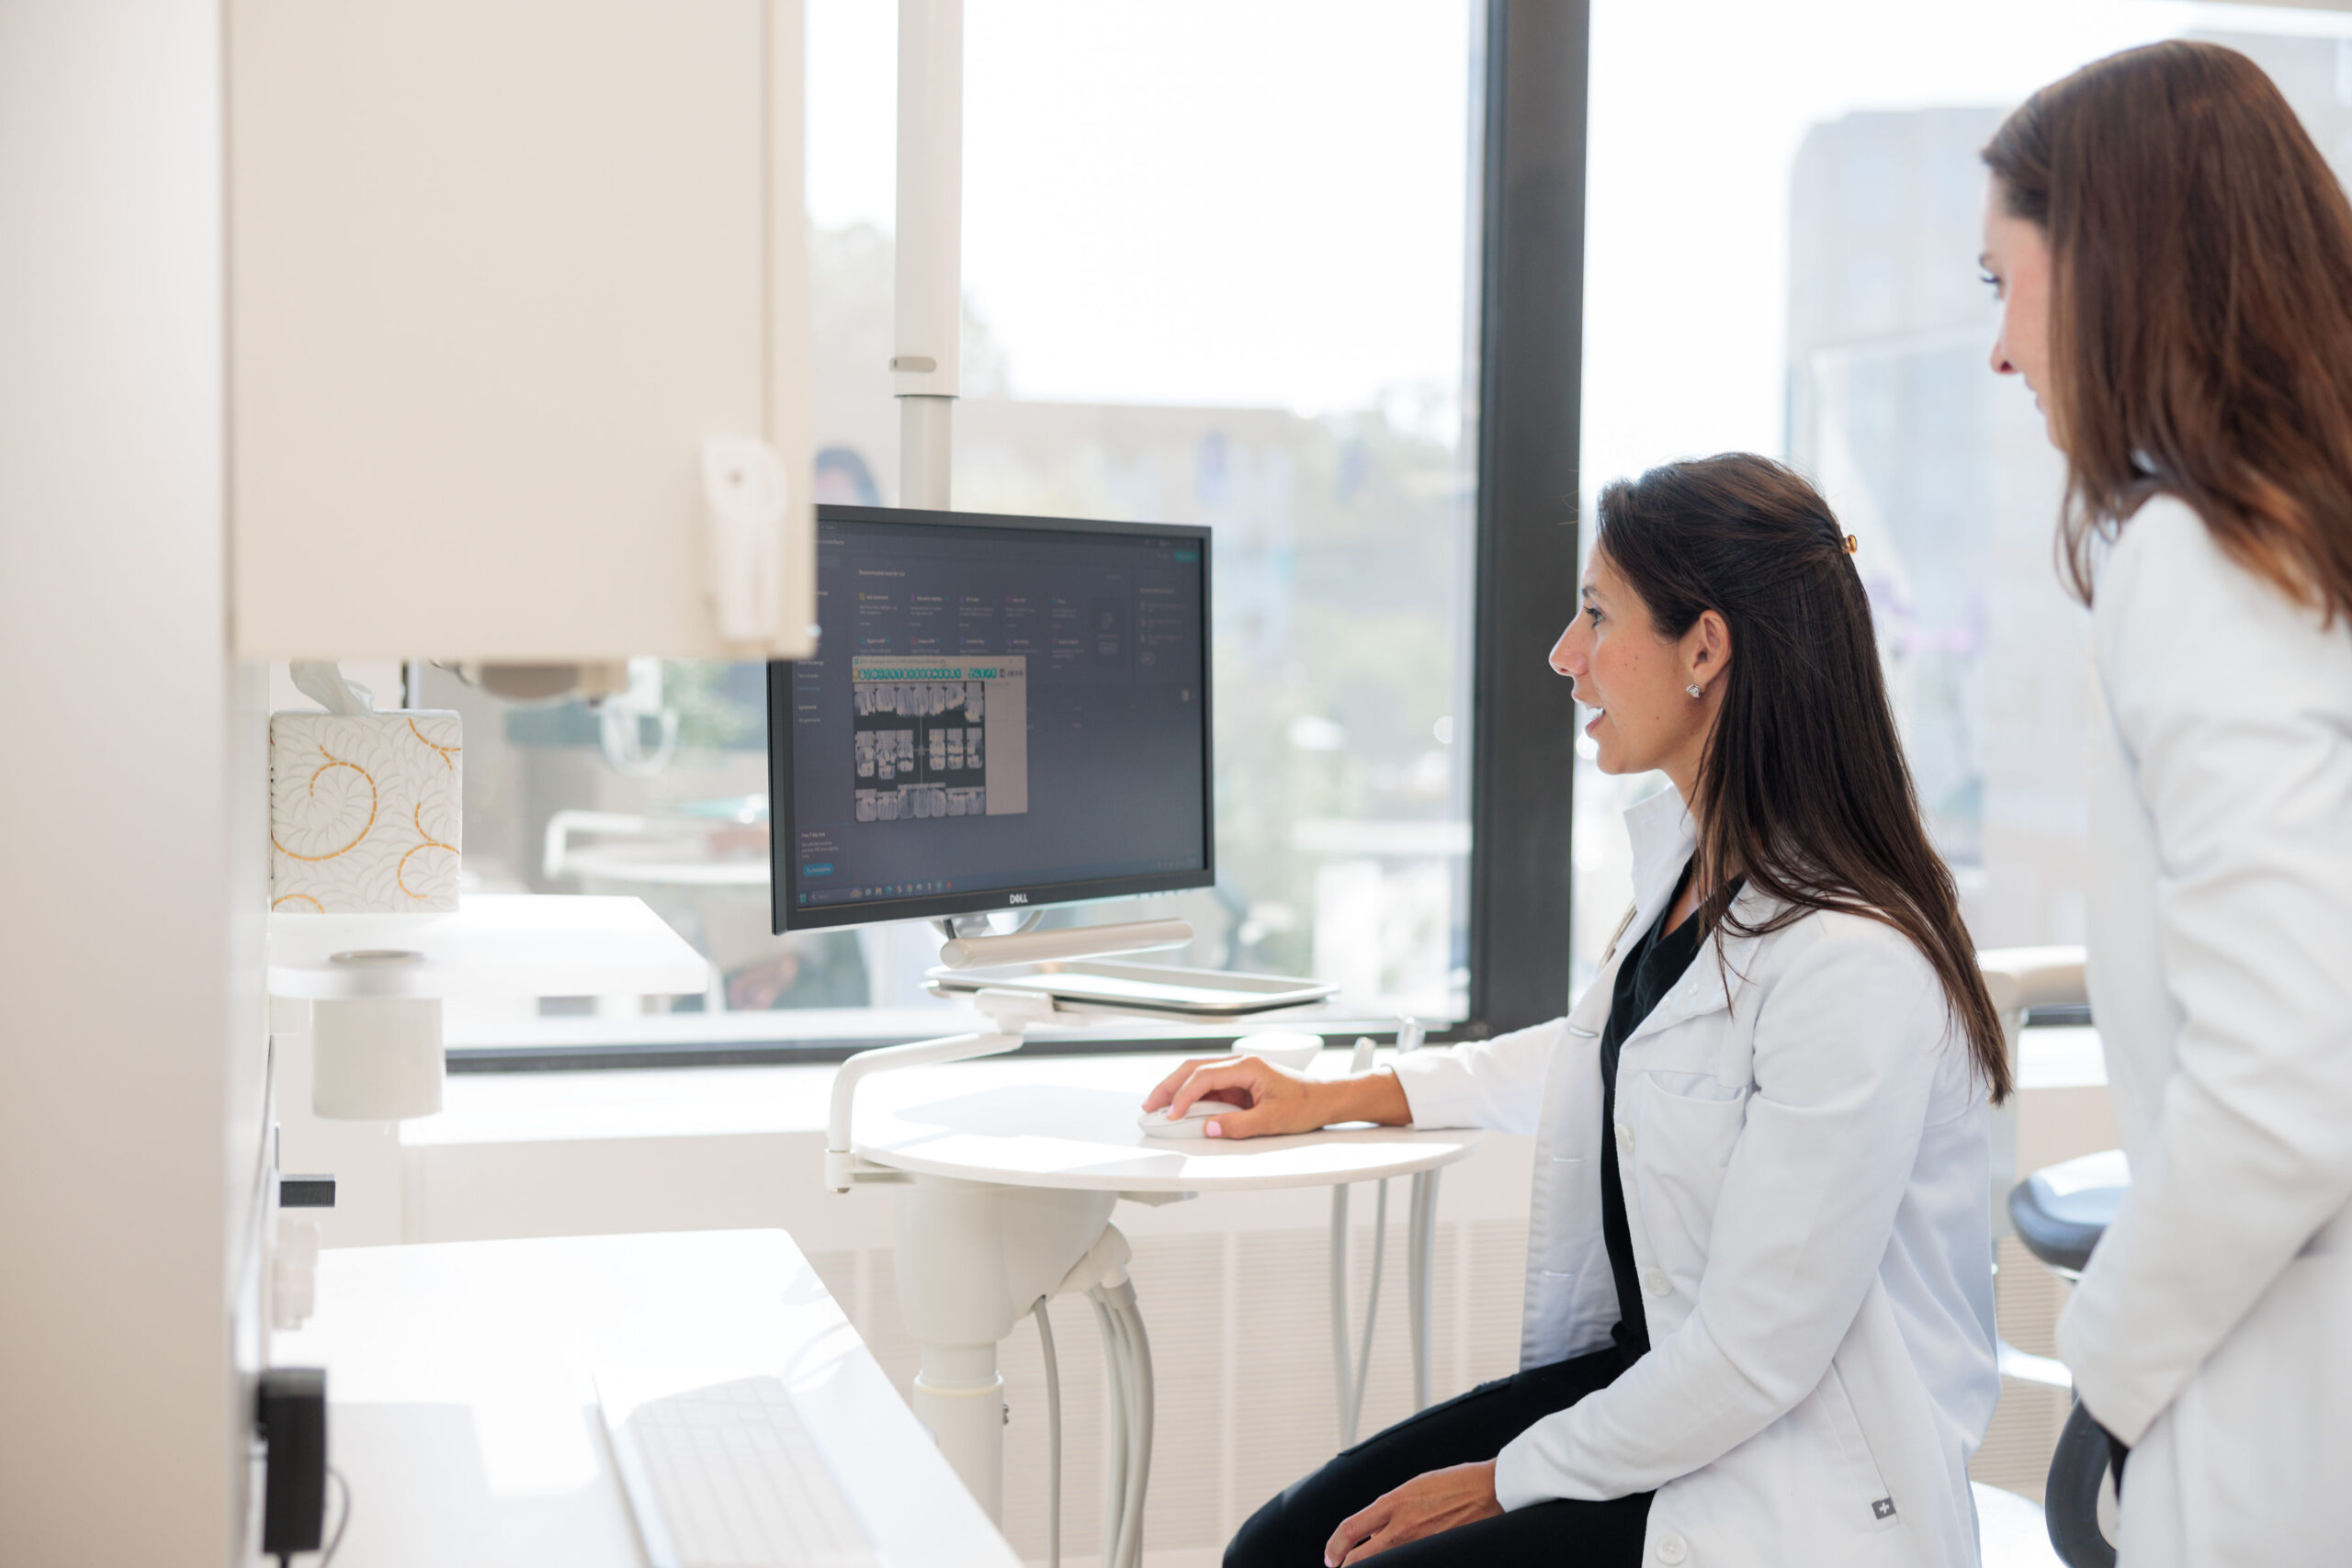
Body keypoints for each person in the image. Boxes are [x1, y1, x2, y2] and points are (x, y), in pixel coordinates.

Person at [1148, 454, 2007, 1567]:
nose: (1565, 653)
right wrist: (1338, 1095)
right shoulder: (1704, 872)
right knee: (1276, 1551)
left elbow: (1756, 1356)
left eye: (1598, 615)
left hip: (1787, 1474)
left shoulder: (1852, 964)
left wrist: (1504, 1481)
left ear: (1706, 647)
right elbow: (1611, 1055)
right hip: (1662, 1398)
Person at [1979, 39, 2352, 1565]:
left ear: (2122, 268)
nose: (2000, 350)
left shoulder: (2201, 562)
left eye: (2005, 282)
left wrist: (2110, 1377)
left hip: (2285, 1416)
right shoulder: (2306, 546)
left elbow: (2287, 1077)